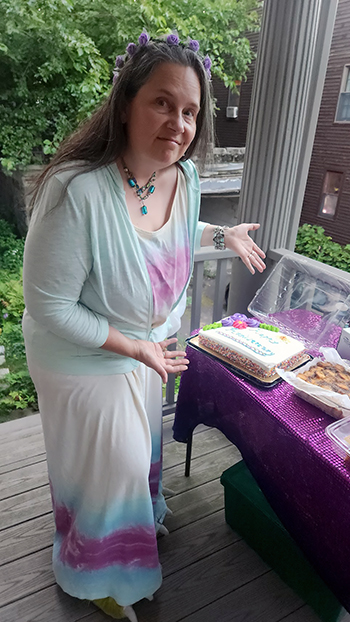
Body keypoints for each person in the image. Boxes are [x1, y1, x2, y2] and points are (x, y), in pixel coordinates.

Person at [22, 32, 266, 621]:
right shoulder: (76, 190)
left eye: (190, 111)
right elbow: (49, 305)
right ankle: (98, 571)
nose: (179, 123)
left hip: (147, 350)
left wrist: (218, 235)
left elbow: (175, 226)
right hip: (80, 354)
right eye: (163, 102)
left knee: (137, 456)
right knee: (110, 466)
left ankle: (133, 523)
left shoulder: (183, 179)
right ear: (126, 100)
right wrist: (134, 347)